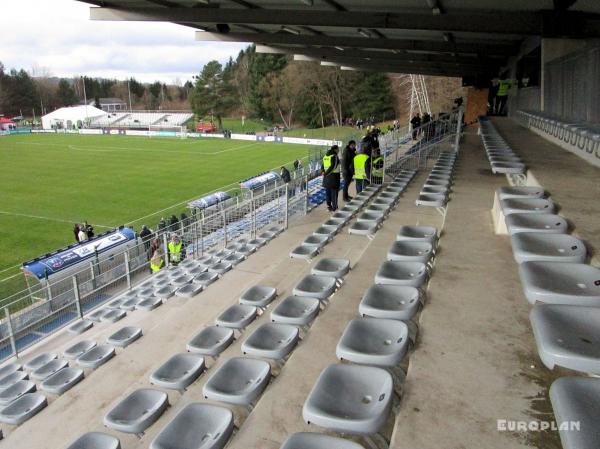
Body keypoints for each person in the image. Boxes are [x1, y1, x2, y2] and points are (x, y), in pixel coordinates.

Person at [321, 145, 341, 212]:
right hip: (334, 176)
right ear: (335, 149)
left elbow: (322, 166)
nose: (338, 151)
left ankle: (329, 206)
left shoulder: (325, 156)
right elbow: (334, 166)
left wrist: (324, 173)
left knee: (328, 192)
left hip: (326, 177)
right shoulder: (334, 156)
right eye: (338, 149)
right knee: (334, 192)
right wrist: (326, 173)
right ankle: (334, 207)